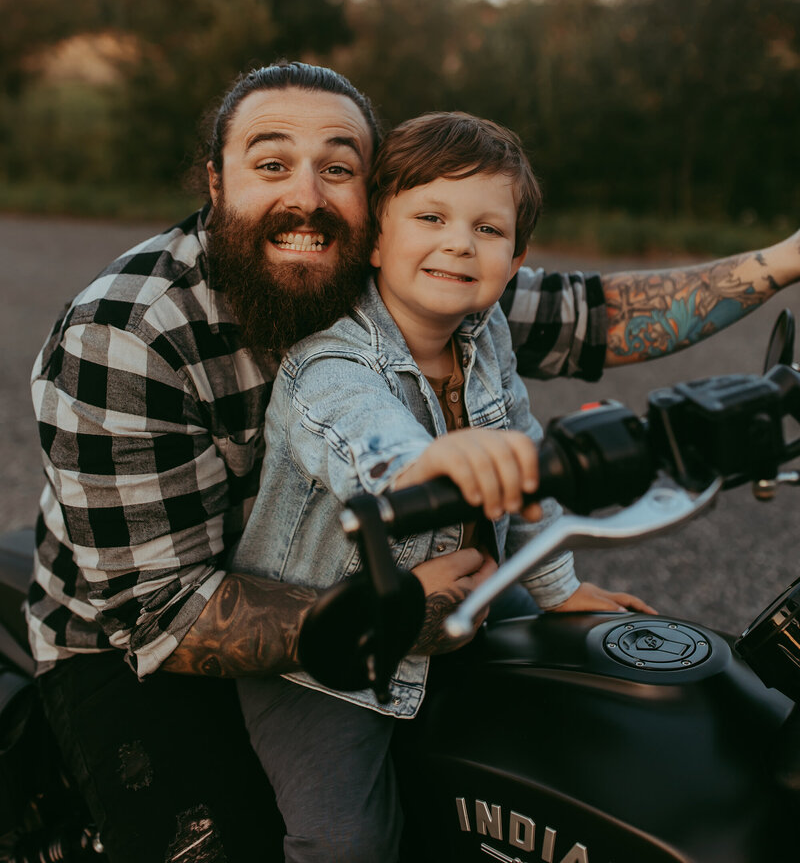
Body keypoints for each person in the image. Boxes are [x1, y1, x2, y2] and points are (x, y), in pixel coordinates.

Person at [26, 60, 800, 862]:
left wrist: (784, 261)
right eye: (270, 164)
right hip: (150, 633)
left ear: (372, 200)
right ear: (216, 183)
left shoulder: (431, 285)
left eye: (338, 168)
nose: (306, 196)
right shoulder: (126, 334)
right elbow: (173, 604)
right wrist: (427, 496)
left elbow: (594, 318)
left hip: (399, 592)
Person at [232, 110, 655, 863]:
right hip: (328, 655)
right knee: (348, 842)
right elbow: (367, 442)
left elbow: (523, 449)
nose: (460, 242)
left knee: (594, 694)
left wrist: (559, 588)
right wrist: (438, 461)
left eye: (488, 231)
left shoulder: (485, 336)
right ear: (375, 239)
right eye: (431, 216)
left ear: (517, 256)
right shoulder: (327, 364)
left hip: (466, 595)